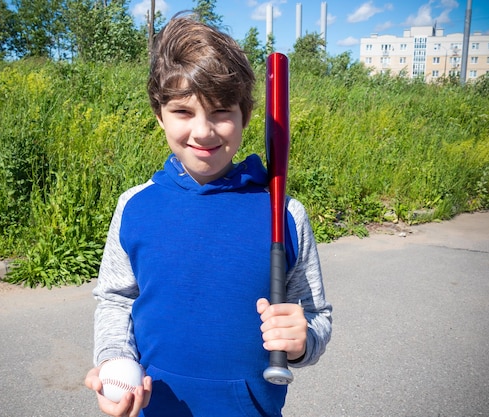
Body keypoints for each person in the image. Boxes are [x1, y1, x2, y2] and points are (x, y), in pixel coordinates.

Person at [84, 15, 332, 417]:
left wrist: (302, 342)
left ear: (244, 115)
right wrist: (114, 359)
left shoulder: (284, 213)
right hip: (154, 407)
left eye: (220, 111)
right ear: (160, 114)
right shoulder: (135, 207)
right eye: (183, 111)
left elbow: (316, 316)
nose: (203, 132)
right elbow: (116, 300)